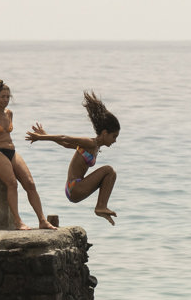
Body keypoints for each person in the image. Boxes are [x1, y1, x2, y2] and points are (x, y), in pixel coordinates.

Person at [25, 91, 120, 225]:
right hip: (74, 187)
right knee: (109, 170)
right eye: (114, 136)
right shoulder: (90, 143)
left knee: (111, 174)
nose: (115, 140)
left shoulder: (95, 146)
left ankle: (101, 206)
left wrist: (45, 134)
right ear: (105, 133)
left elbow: (65, 144)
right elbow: (65, 138)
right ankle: (100, 206)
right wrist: (41, 138)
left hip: (74, 188)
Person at [0, 79, 56, 231]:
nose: (5, 100)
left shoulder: (9, 113)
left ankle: (42, 220)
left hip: (11, 151)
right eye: (2, 97)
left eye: (8, 97)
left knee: (30, 184)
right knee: (12, 183)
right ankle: (18, 221)